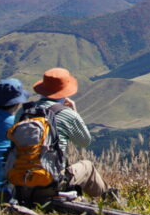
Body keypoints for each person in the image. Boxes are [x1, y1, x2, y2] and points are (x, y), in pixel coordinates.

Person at [24, 67, 115, 200]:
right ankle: (108, 199)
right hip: (50, 184)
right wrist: (74, 112)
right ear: (64, 92)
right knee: (87, 166)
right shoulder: (67, 114)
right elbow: (84, 142)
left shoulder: (25, 112)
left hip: (21, 181)